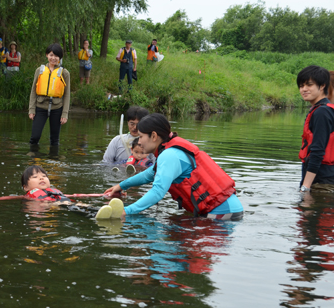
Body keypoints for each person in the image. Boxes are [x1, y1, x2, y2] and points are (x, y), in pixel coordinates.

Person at [104, 113, 244, 220]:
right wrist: (122, 185)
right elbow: (149, 174)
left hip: (222, 214)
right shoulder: (169, 151)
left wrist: (126, 211)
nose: (139, 142)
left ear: (153, 136)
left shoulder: (168, 155)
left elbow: (157, 192)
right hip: (226, 210)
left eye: (141, 137)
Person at [297, 66, 334, 192]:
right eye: (301, 86)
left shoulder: (322, 112)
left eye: (309, 85)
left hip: (320, 183)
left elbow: (318, 151)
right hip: (328, 179)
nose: (304, 89)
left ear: (322, 86)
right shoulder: (327, 109)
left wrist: (305, 188)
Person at [28, 43, 70, 147]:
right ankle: (33, 161)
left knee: (54, 140)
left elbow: (67, 94)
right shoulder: (39, 70)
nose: (53, 58)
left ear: (60, 57)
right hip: (40, 107)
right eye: (51, 55)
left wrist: (65, 113)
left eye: (56, 56)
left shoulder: (64, 73)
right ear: (47, 55)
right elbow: (33, 91)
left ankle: (54, 162)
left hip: (57, 108)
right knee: (35, 137)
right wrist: (31, 109)